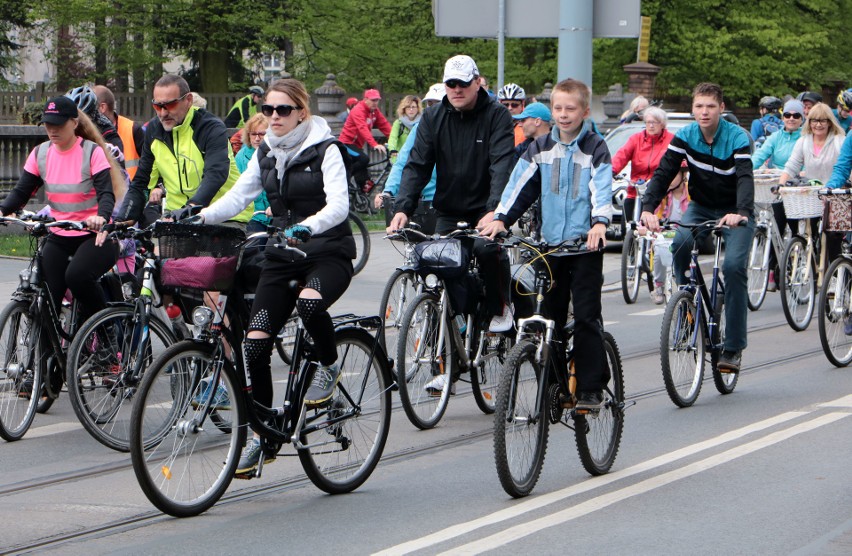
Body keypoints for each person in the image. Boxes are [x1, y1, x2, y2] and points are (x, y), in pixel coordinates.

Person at [196, 79, 355, 476]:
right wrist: (200, 214)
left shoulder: (326, 149)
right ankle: (264, 436)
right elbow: (240, 196)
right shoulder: (267, 150)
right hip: (283, 254)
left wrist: (308, 227)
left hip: (327, 253)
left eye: (282, 110)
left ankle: (329, 365)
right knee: (254, 346)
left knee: (310, 302)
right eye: (268, 110)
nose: (273, 118)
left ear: (302, 112)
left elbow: (339, 205)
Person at [481, 78, 613, 410]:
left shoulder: (595, 147)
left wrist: (599, 223)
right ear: (551, 111)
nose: (564, 115)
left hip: (585, 247)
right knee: (548, 318)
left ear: (584, 110)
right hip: (551, 246)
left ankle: (591, 387)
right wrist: (501, 218)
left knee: (585, 316)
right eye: (558, 108)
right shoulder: (539, 148)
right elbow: (519, 187)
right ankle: (554, 387)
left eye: (571, 108)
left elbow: (601, 188)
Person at [388, 54, 515, 351]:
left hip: (486, 208)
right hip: (449, 207)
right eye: (450, 84)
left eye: (463, 83)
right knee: (438, 269)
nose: (457, 89)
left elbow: (501, 165)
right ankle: (444, 356)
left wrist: (495, 209)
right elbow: (417, 165)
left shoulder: (497, 115)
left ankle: (499, 307)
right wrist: (403, 207)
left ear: (477, 82)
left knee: (487, 249)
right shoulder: (433, 118)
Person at [640, 82, 754, 373]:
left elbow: (743, 177)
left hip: (734, 210)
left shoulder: (736, 137)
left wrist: (741, 212)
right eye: (699, 106)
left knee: (733, 268)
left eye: (711, 106)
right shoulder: (686, 136)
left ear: (721, 109)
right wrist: (647, 208)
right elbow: (665, 171)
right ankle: (686, 300)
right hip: (701, 206)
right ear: (693, 109)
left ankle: (733, 347)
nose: (704, 112)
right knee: (679, 242)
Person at [1, 96, 125, 327]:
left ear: (74, 123)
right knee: (47, 294)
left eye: (58, 124)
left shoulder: (92, 152)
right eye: (48, 124)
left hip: (94, 237)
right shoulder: (40, 153)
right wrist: (2, 210)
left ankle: (106, 335)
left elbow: (106, 194)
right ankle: (50, 359)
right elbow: (21, 192)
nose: (52, 129)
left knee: (76, 276)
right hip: (59, 236)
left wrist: (102, 218)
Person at [117, 74, 252, 226]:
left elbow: (216, 173)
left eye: (170, 105)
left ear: (188, 100)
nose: (163, 113)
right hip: (177, 216)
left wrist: (192, 207)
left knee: (208, 249)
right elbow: (141, 182)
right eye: (157, 106)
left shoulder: (210, 127)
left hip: (224, 215)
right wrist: (121, 220)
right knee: (156, 248)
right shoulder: (154, 130)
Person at [376, 84, 447, 233]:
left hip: (449, 203)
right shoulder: (419, 128)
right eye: (429, 103)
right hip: (424, 202)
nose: (432, 108)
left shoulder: (454, 129)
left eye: (437, 104)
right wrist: (388, 191)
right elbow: (402, 162)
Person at [611, 106, 674, 225]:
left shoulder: (671, 140)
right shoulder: (635, 139)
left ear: (662, 124)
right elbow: (621, 156)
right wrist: (611, 171)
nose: (650, 125)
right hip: (636, 190)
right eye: (648, 122)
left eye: (654, 122)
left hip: (660, 192)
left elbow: (678, 162)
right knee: (628, 226)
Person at [647, 162, 690, 304]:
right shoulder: (663, 194)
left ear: (683, 175)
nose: (670, 178)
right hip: (664, 232)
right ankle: (658, 285)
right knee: (658, 251)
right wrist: (647, 225)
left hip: (684, 233)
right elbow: (652, 214)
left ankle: (685, 285)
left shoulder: (691, 193)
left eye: (674, 174)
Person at [339, 88, 392, 194]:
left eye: (377, 100)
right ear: (365, 99)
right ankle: (342, 178)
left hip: (357, 146)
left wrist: (394, 140)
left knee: (365, 181)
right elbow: (362, 128)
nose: (375, 103)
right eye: (373, 100)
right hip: (347, 144)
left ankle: (363, 203)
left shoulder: (374, 112)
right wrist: (374, 144)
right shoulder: (358, 110)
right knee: (363, 159)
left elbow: (385, 126)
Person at [93, 85, 145, 181]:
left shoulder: (132, 129)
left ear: (102, 107)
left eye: (90, 106)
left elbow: (151, 164)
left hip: (131, 191)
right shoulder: (89, 133)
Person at [66, 85, 125, 161]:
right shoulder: (61, 130)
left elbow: (117, 168)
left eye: (81, 121)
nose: (75, 125)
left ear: (92, 115)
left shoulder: (107, 132)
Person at [235, 113, 271, 233]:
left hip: (276, 215)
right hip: (253, 216)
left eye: (262, 134)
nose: (257, 138)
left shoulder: (278, 154)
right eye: (253, 134)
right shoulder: (241, 157)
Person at [752, 99, 804, 170]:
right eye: (787, 115)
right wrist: (746, 170)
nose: (791, 118)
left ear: (802, 119)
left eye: (796, 116)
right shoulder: (775, 136)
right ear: (783, 118)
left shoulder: (807, 138)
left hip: (800, 177)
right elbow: (760, 155)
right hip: (777, 176)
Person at [387, 95, 421, 161]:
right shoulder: (399, 123)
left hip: (417, 157)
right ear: (404, 109)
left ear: (418, 108)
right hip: (400, 157)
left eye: (413, 107)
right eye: (408, 107)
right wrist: (392, 150)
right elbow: (393, 138)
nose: (411, 110)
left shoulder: (422, 123)